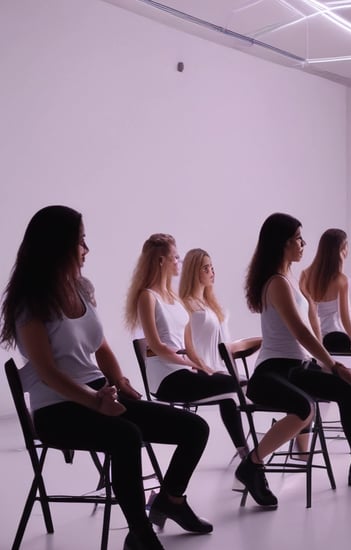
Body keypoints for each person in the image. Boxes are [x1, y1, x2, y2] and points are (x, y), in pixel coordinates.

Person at [0, 206, 211, 550]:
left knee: (194, 428)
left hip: (101, 395)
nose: (87, 248)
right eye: (81, 240)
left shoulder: (82, 287)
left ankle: (170, 500)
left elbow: (102, 348)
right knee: (127, 436)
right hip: (57, 409)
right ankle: (140, 534)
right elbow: (47, 372)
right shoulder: (30, 302)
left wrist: (120, 381)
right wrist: (96, 402)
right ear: (58, 246)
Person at [235, 213, 351, 508]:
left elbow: (310, 331)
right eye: (298, 238)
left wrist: (330, 368)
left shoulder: (290, 279)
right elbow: (301, 332)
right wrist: (333, 364)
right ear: (283, 244)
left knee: (347, 390)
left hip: (297, 368)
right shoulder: (277, 283)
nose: (303, 244)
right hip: (272, 371)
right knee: (304, 408)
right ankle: (252, 463)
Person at [125, 234, 248, 458]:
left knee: (233, 387)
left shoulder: (174, 298)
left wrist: (204, 367)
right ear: (161, 261)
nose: (178, 263)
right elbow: (156, 346)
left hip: (184, 373)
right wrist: (191, 364)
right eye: (175, 258)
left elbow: (188, 343)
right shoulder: (148, 297)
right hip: (167, 381)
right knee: (234, 384)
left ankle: (245, 453)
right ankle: (250, 458)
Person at [179, 248, 261, 378]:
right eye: (206, 269)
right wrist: (204, 368)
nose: (212, 272)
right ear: (193, 273)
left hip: (219, 370)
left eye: (211, 268)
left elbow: (226, 347)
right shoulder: (186, 306)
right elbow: (186, 347)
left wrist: (262, 339)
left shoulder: (210, 307)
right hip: (205, 373)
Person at [300, 229, 351, 370]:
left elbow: (307, 311)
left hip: (314, 337)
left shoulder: (305, 275)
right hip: (336, 335)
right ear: (343, 248)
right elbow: (345, 318)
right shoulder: (341, 280)